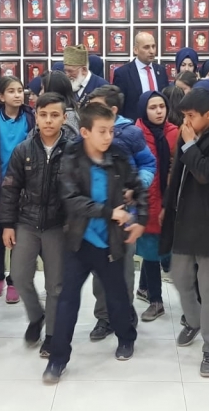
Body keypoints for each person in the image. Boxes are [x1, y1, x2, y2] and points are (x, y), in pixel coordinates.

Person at [43, 102, 146, 384]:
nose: (108, 136)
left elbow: (138, 187)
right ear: (85, 132)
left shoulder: (118, 156)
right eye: (102, 131)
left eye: (111, 130)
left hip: (110, 241)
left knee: (117, 295)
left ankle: (126, 338)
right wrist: (109, 211)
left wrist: (141, 218)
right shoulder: (71, 159)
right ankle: (57, 359)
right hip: (78, 242)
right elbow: (72, 200)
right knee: (67, 300)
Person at [161, 88, 209, 378]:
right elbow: (178, 176)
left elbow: (204, 173)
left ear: (208, 115)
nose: (186, 121)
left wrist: (190, 144)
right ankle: (193, 320)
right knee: (179, 276)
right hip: (184, 219)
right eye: (184, 116)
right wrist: (168, 206)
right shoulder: (187, 134)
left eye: (191, 116)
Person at [1, 92, 76, 357]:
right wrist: (7, 224)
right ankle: (36, 316)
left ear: (64, 118)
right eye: (43, 115)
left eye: (55, 115)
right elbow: (10, 189)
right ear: (36, 116)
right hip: (27, 222)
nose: (48, 120)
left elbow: (79, 190)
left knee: (55, 285)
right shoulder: (23, 149)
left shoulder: (73, 150)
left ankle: (52, 335)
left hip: (58, 226)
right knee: (20, 276)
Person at [85, 84, 156, 340]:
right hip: (97, 215)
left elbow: (148, 163)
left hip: (126, 213)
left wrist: (135, 188)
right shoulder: (87, 132)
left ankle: (125, 315)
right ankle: (103, 317)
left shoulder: (131, 133)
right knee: (99, 269)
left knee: (124, 268)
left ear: (114, 110)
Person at [0, 75, 35, 303]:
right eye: (11, 91)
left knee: (19, 237)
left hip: (23, 187)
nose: (17, 95)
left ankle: (14, 281)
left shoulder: (30, 117)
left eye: (20, 90)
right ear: (1, 96)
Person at [133, 91, 179, 322]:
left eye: (162, 106)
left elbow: (177, 169)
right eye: (153, 107)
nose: (159, 111)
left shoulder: (175, 132)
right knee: (150, 254)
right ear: (144, 110)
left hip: (170, 201)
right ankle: (156, 301)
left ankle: (148, 288)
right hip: (146, 201)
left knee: (170, 252)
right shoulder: (136, 134)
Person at [112, 31, 168, 120]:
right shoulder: (123, 73)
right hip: (134, 125)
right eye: (146, 47)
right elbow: (119, 106)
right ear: (136, 50)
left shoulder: (161, 71)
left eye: (153, 46)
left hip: (159, 124)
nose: (152, 51)